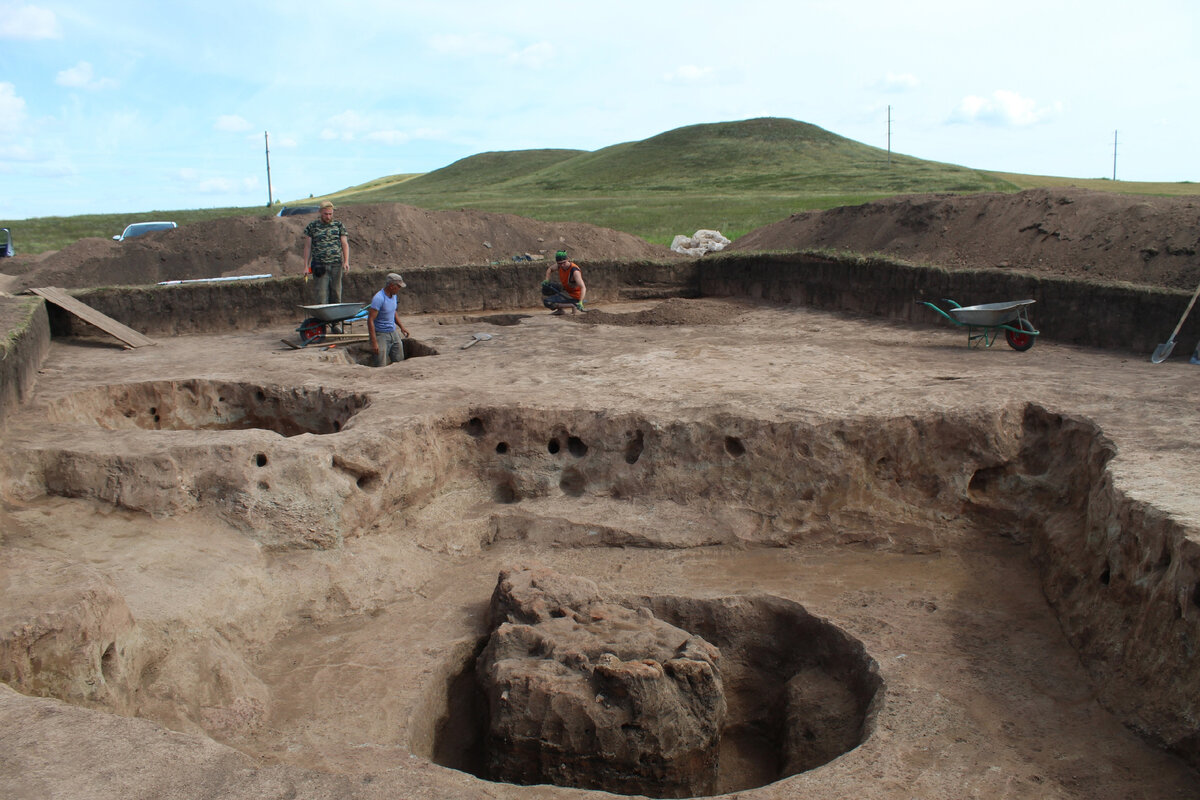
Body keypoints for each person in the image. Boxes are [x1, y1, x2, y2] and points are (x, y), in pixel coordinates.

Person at [302, 201, 350, 306]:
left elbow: (344, 244)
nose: (328, 217)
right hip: (319, 265)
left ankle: (335, 320)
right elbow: (308, 247)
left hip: (336, 264)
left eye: (330, 214)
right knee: (321, 294)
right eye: (325, 214)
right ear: (320, 212)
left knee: (336, 293)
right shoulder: (312, 226)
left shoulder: (338, 225)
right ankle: (324, 320)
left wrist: (346, 261)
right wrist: (306, 265)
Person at [368, 272, 410, 367]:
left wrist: (401, 327)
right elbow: (370, 320)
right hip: (381, 334)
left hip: (393, 332)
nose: (399, 289)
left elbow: (393, 311)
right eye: (398, 287)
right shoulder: (379, 298)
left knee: (400, 360)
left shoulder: (394, 296)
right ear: (391, 285)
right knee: (380, 363)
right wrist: (374, 342)